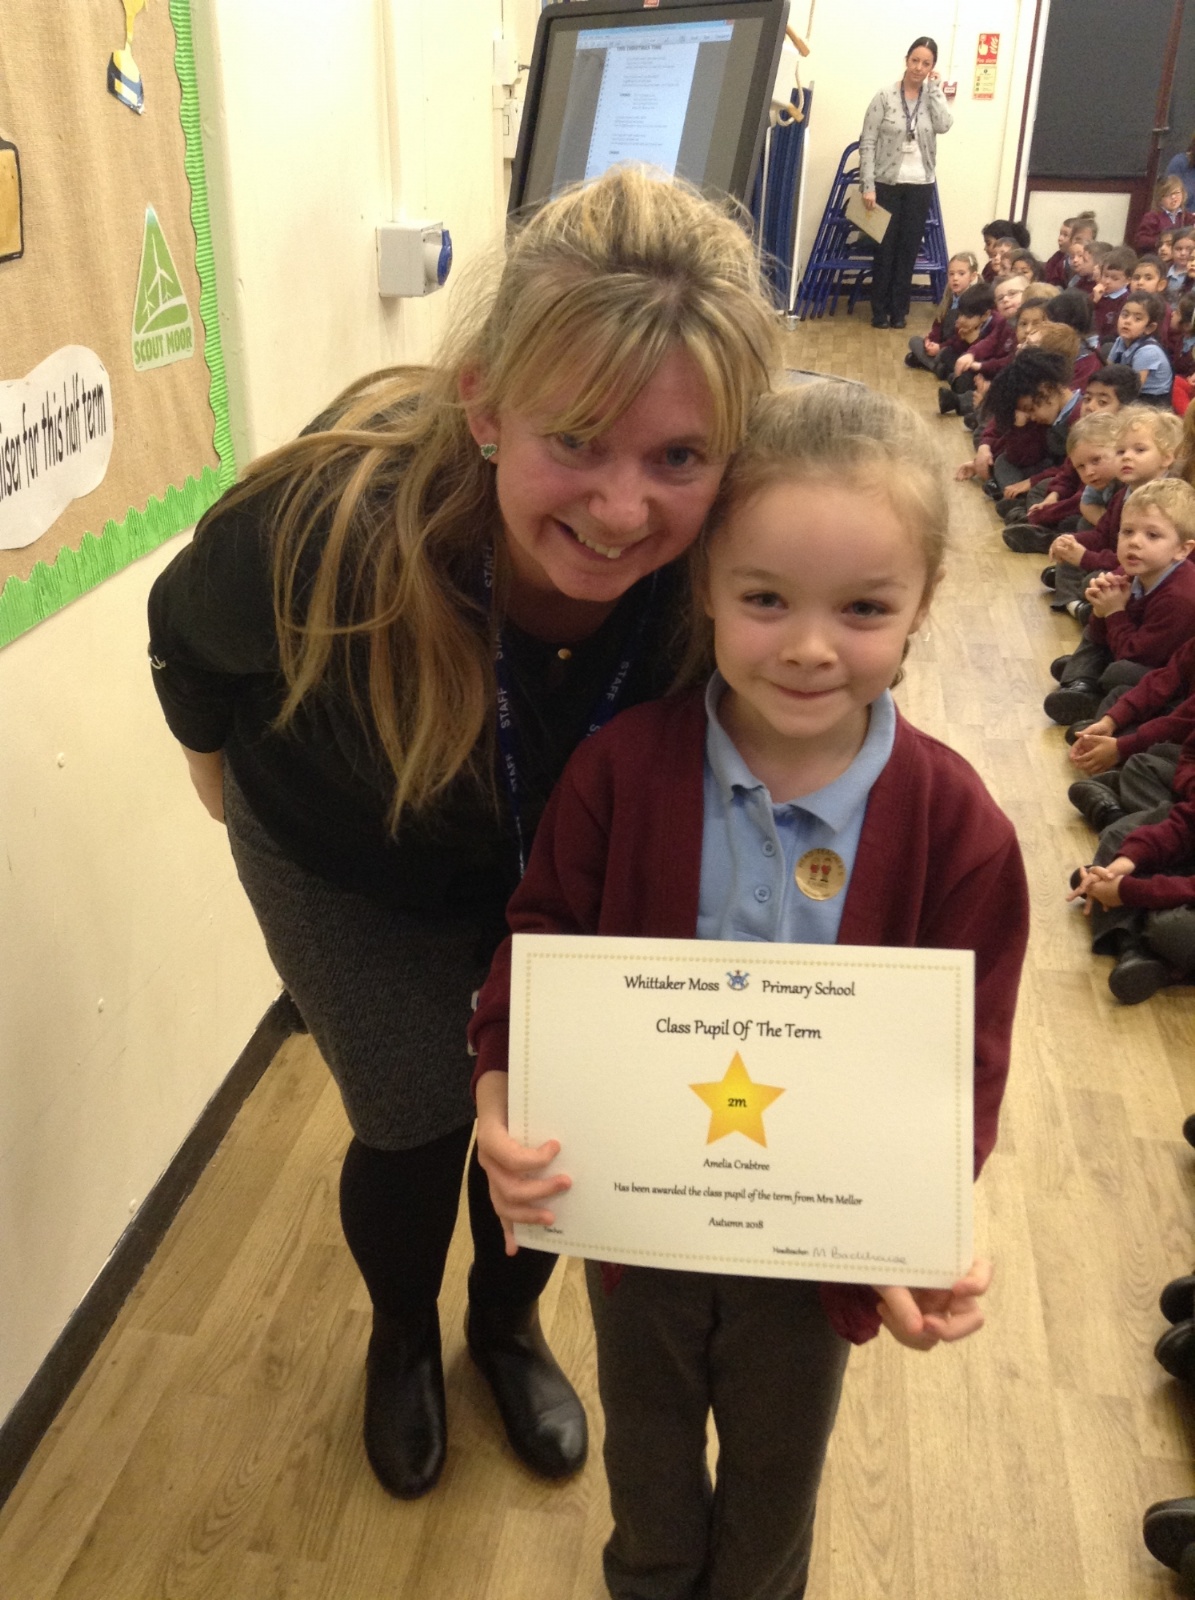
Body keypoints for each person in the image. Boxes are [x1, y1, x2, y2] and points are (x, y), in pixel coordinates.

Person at [145, 167, 781, 1502]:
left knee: (549, 1116)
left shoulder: (733, 562)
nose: (621, 510)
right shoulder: (320, 526)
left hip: (560, 865)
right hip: (343, 855)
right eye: (577, 439)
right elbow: (186, 643)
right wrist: (226, 801)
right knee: (413, 1117)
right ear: (486, 405)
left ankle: (503, 1328)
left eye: (677, 457)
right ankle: (400, 1337)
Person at [470, 381, 1028, 1600]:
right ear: (706, 590)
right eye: (765, 598)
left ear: (923, 602)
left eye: (863, 607)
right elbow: (541, 938)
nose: (810, 646)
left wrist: (923, 1221)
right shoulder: (620, 771)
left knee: (778, 1479)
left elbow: (965, 1057)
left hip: (816, 1253)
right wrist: (499, 1092)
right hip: (638, 1229)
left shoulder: (958, 829)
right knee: (649, 1463)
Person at [1043, 479, 1195, 727]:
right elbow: (1102, 635)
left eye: (1152, 535)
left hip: (1166, 679)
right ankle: (1081, 683)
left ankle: (1091, 691)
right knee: (1095, 634)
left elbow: (1135, 655)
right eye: (1127, 531)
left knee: (1119, 672)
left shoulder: (1181, 597)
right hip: (1134, 649)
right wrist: (1100, 609)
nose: (1134, 542)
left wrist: (1113, 611)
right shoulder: (1134, 570)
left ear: (1182, 550)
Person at [858, 36, 953, 329]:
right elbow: (868, 142)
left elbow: (944, 125)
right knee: (884, 249)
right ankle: (879, 311)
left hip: (920, 184)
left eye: (926, 63)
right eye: (915, 61)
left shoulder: (931, 97)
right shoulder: (885, 96)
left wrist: (936, 90)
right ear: (906, 60)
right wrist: (867, 185)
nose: (919, 68)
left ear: (932, 67)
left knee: (908, 249)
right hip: (887, 183)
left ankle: (899, 311)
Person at [905, 250, 979, 373]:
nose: (955, 278)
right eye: (951, 274)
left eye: (961, 274)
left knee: (945, 354)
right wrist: (930, 340)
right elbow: (938, 324)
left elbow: (961, 339)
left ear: (972, 276)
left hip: (956, 349)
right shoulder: (948, 297)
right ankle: (935, 364)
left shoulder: (972, 301)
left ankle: (932, 365)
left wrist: (940, 347)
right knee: (914, 341)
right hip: (941, 345)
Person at [1108, 291, 1175, 406]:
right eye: (1125, 315)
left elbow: (1134, 390)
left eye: (1137, 319)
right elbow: (1107, 370)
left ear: (1149, 328)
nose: (1127, 321)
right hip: (1128, 391)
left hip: (1152, 401)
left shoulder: (1147, 351)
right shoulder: (1120, 341)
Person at [1135, 174, 1195, 256]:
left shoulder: (1187, 217)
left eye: (1177, 193)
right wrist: (1163, 242)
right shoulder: (1152, 217)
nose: (1173, 197)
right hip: (1158, 257)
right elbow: (1141, 240)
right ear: (1160, 198)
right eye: (1168, 194)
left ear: (1183, 194)